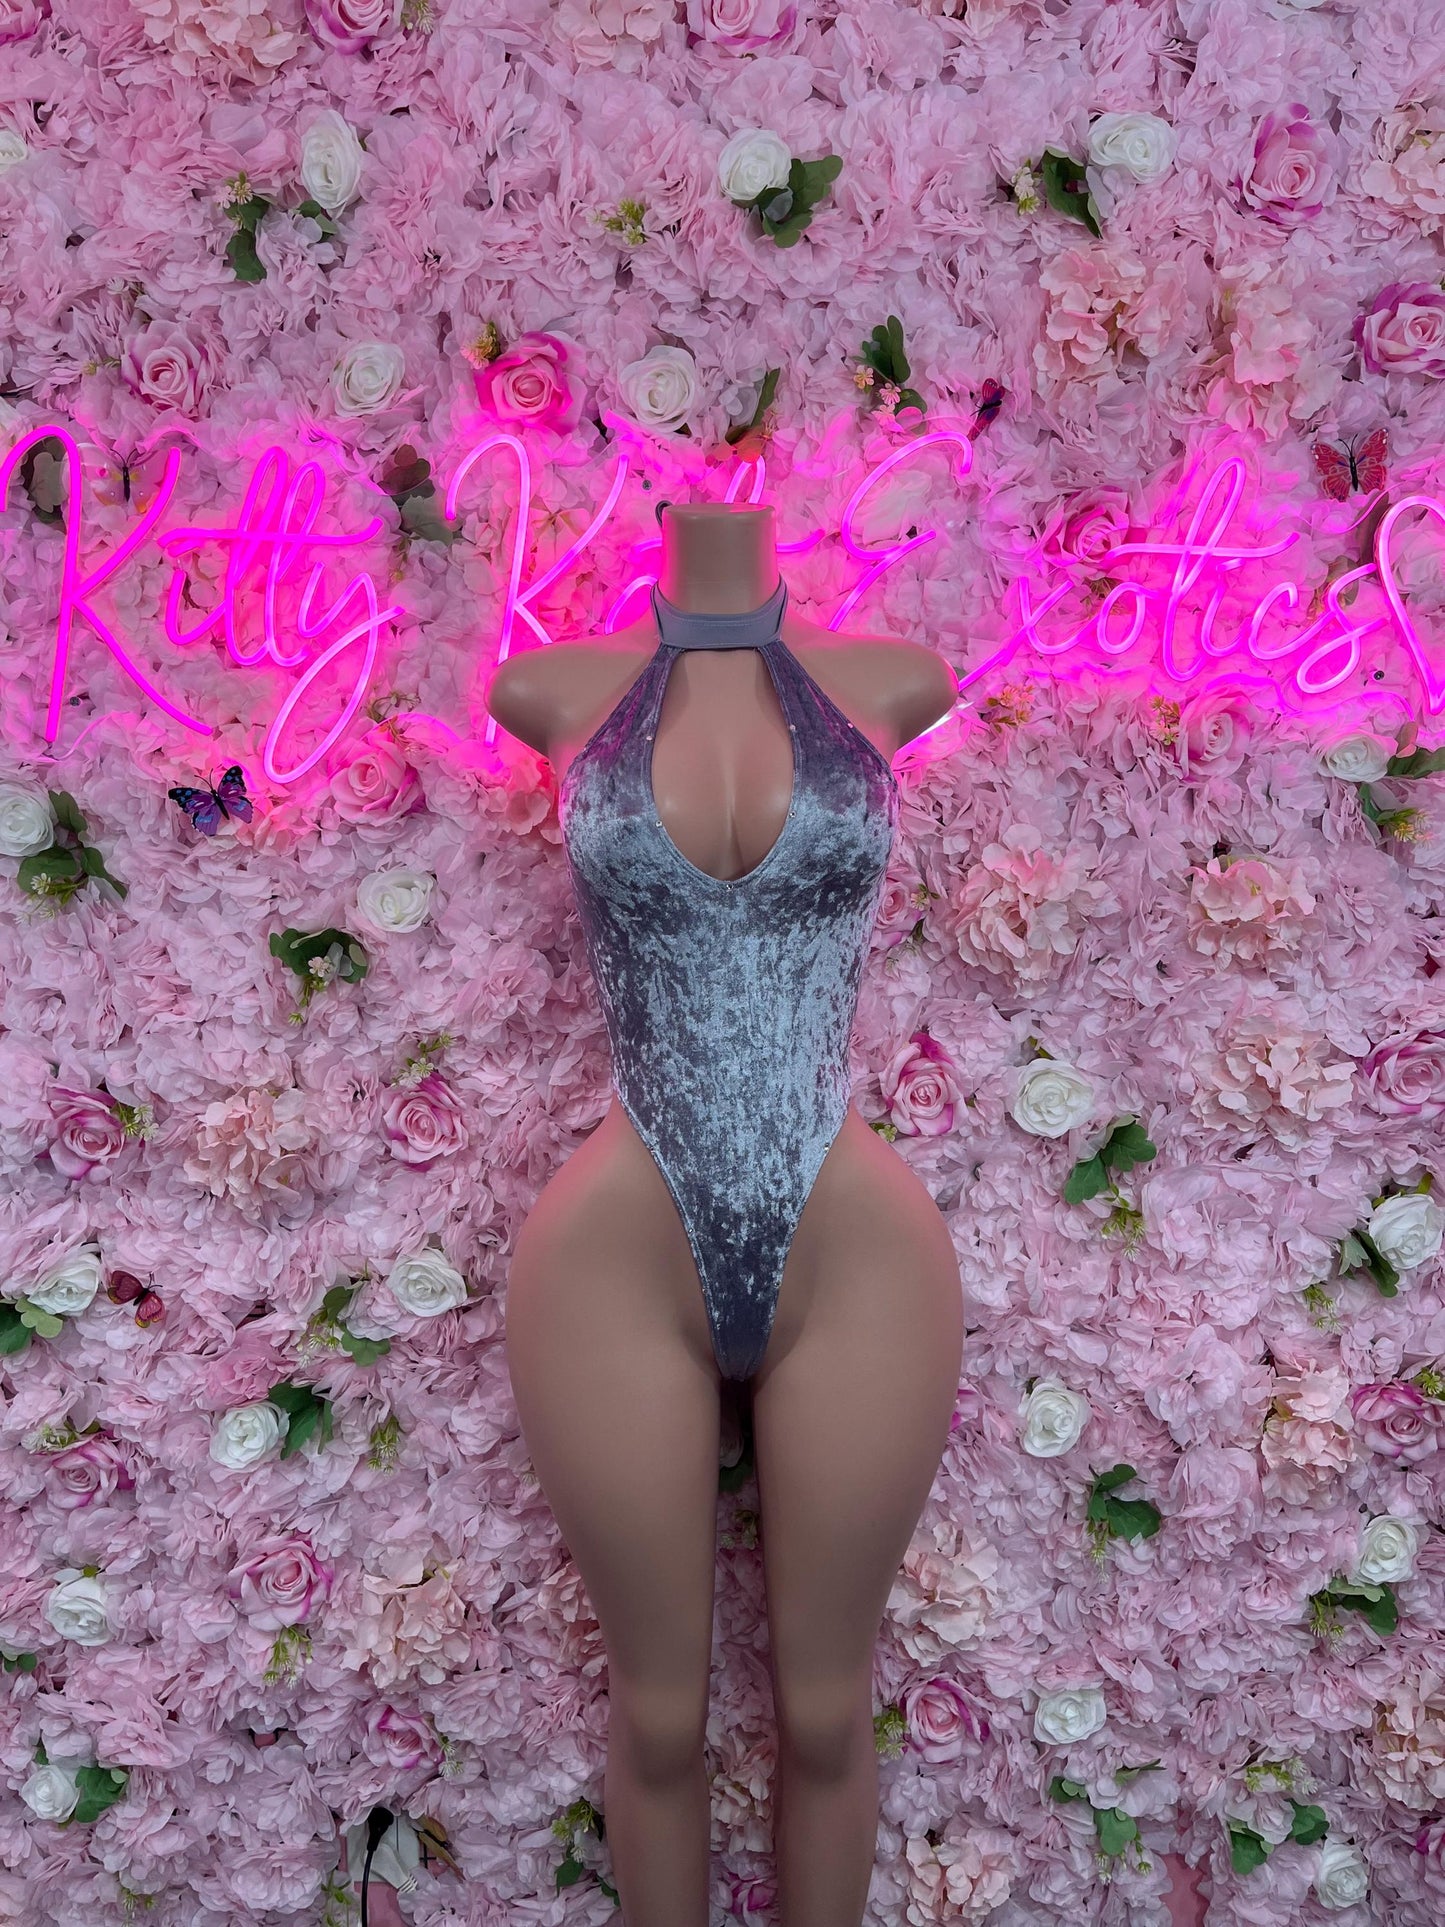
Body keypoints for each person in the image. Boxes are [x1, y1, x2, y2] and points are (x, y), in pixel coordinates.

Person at [487, 501, 964, 1926]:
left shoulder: (889, 682)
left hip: (851, 1243)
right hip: (619, 1250)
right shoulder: (553, 691)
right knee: (658, 1715)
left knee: (825, 1707)